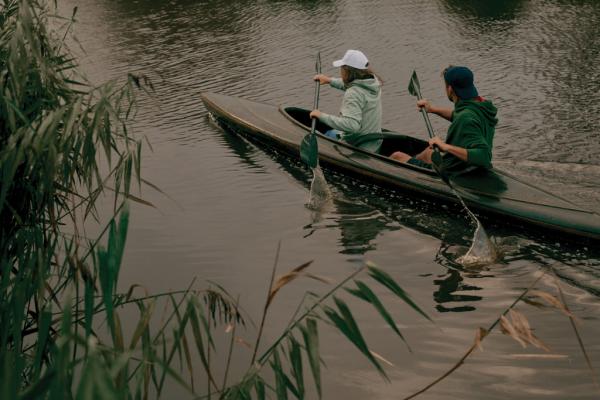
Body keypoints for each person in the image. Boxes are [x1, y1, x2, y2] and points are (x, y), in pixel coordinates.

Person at [391, 66, 498, 174]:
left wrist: (445, 147)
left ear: (450, 89)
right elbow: (457, 116)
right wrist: (432, 109)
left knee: (397, 156)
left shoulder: (465, 118)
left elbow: (484, 156)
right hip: (467, 166)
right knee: (429, 152)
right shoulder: (481, 106)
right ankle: (413, 166)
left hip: (454, 172)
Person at [309, 49, 383, 153]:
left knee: (319, 134)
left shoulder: (353, 93)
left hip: (357, 145)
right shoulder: (374, 83)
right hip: (374, 143)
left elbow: (351, 125)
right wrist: (329, 80)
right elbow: (353, 85)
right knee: (332, 132)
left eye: (342, 68)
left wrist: (321, 116)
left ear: (347, 70)